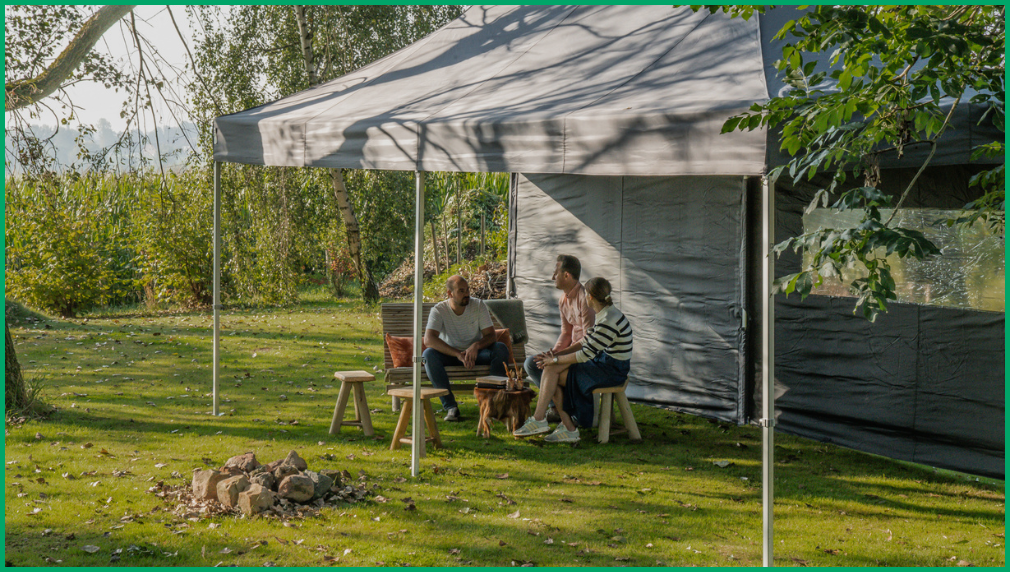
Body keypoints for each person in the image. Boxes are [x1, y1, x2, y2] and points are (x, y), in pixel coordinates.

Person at [513, 277, 632, 443]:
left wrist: (555, 361)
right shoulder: (606, 312)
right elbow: (585, 341)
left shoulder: (608, 320)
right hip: (604, 364)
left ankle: (550, 422)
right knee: (551, 372)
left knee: (551, 373)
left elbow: (585, 354)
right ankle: (559, 425)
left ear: (589, 297)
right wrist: (557, 357)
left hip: (611, 371)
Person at [423, 275, 510, 422]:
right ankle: (451, 407)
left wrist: (475, 346)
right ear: (450, 293)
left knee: (500, 348)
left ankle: (493, 405)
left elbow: (491, 336)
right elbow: (429, 339)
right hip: (451, 355)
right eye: (461, 291)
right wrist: (457, 354)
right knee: (428, 354)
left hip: (477, 354)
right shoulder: (439, 310)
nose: (467, 294)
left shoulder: (478, 305)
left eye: (468, 289)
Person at [524, 254, 595, 423]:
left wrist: (558, 357)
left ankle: (560, 416)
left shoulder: (584, 298)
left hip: (584, 355)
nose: (552, 277)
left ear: (566, 275)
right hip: (569, 352)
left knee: (550, 367)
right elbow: (566, 333)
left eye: (555, 273)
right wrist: (554, 352)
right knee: (531, 363)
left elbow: (588, 340)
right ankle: (555, 408)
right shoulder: (563, 299)